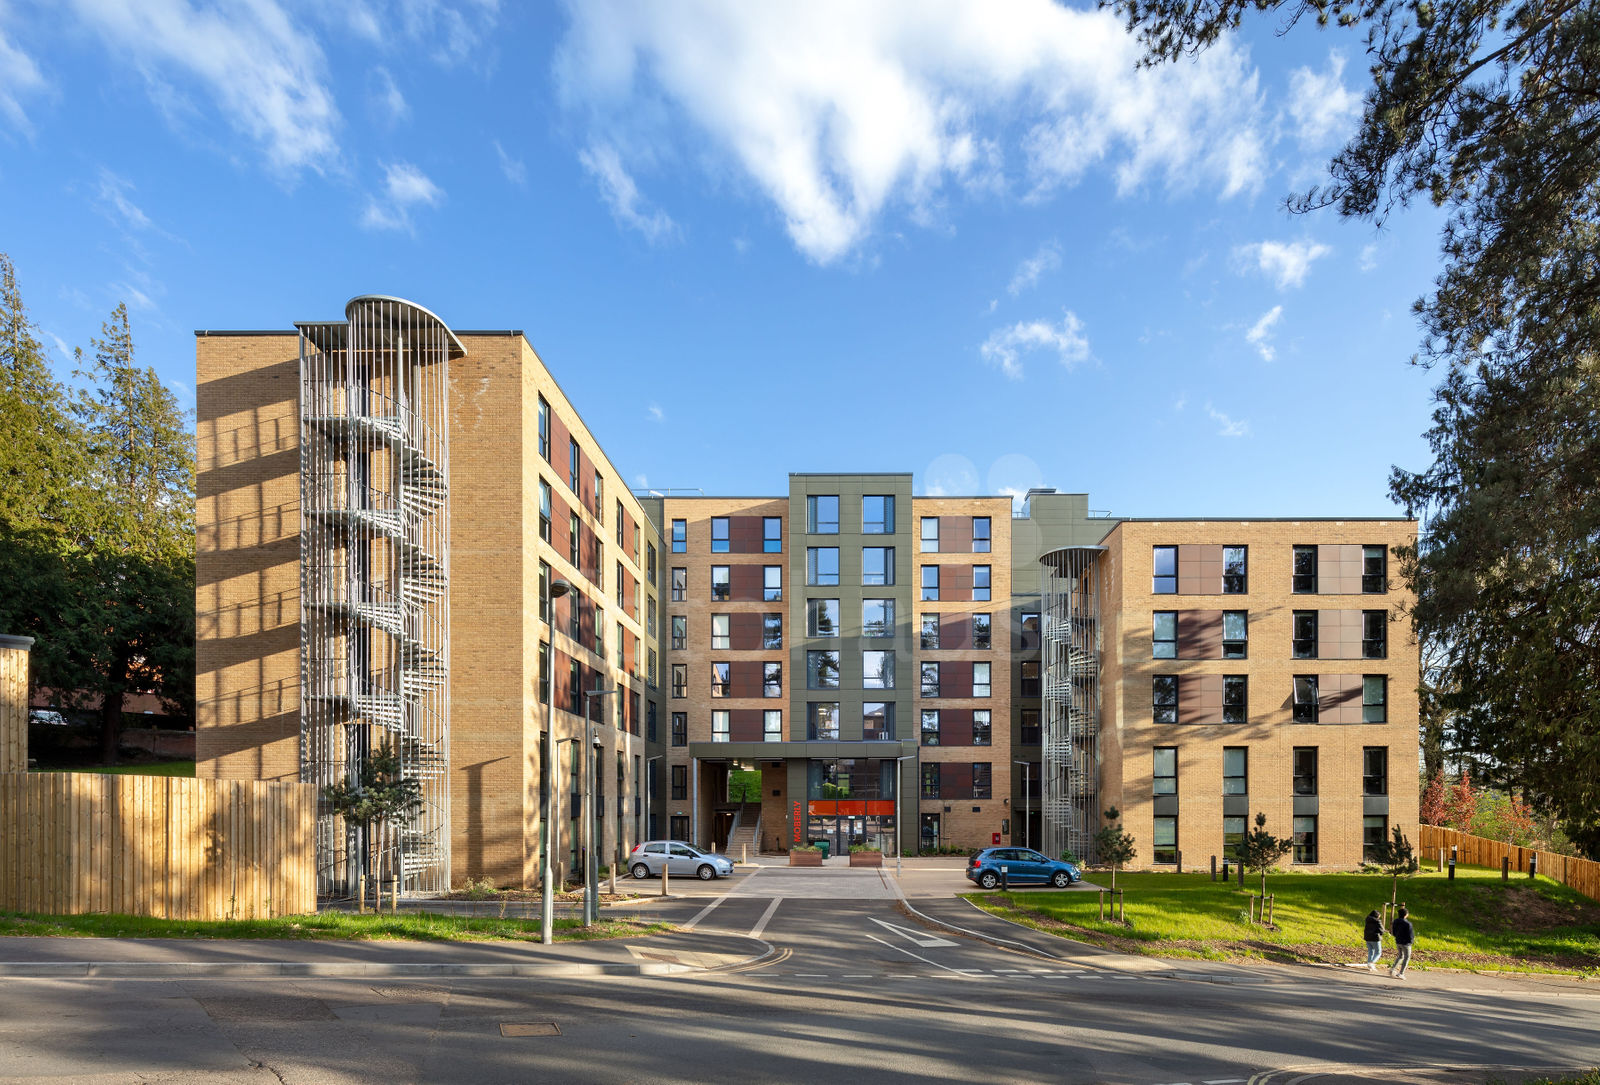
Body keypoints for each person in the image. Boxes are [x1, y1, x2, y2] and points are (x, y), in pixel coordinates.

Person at [1389, 905, 1415, 978]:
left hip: (1398, 941)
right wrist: (1411, 942)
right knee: (1406, 958)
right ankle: (1401, 973)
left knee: (1400, 956)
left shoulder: (1395, 921)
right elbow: (1410, 935)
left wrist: (1397, 937)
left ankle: (1392, 969)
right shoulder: (1408, 924)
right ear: (1406, 915)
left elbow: (1393, 932)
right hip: (1406, 943)